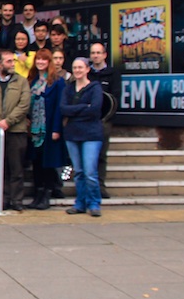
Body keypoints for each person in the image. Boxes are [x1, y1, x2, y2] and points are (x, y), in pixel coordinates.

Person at [0, 50, 31, 211]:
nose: (12, 64)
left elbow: (24, 105)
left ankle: (17, 200)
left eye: (13, 61)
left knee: (16, 168)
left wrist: (8, 121)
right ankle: (4, 198)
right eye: (9, 61)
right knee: (0, 167)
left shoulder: (21, 82)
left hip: (16, 131)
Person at [61, 57, 105, 217]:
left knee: (90, 172)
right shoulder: (68, 88)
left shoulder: (95, 88)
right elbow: (63, 109)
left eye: (80, 67)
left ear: (87, 69)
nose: (77, 70)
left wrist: (75, 111)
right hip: (72, 133)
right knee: (78, 171)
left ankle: (94, 203)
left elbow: (95, 110)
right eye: (75, 67)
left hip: (91, 134)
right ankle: (80, 202)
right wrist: (82, 108)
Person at [27, 48, 65, 209]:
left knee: (48, 162)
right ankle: (38, 192)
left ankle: (47, 194)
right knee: (36, 162)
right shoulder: (32, 79)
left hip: (49, 127)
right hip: (34, 128)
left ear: (49, 62)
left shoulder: (57, 81)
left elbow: (59, 107)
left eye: (44, 60)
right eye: (38, 59)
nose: (40, 62)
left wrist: (56, 129)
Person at [88, 42, 121, 199]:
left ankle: (100, 185)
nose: (95, 55)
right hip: (87, 121)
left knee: (101, 155)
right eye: (93, 53)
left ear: (104, 55)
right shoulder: (87, 73)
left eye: (98, 53)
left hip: (104, 121)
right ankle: (88, 186)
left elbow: (116, 97)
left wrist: (107, 117)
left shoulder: (112, 74)